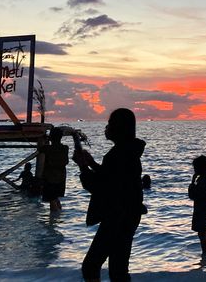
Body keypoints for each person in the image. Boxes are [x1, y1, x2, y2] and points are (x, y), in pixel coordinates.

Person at [74, 108, 146, 282]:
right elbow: (112, 178)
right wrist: (92, 164)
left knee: (91, 266)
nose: (106, 128)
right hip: (129, 214)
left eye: (110, 124)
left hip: (117, 217)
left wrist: (83, 166)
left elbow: (99, 187)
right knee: (118, 270)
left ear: (118, 128)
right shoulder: (128, 152)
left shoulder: (117, 155)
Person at [188, 155, 206, 255]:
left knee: (202, 233)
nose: (194, 170)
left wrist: (192, 183)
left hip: (202, 209)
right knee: (204, 232)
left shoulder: (203, 180)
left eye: (195, 167)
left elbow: (193, 195)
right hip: (205, 208)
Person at [41, 127, 69, 212]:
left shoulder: (47, 148)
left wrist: (45, 139)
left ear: (51, 137)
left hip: (50, 177)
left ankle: (52, 221)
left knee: (52, 199)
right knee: (55, 197)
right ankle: (58, 216)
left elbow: (40, 148)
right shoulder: (65, 148)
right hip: (61, 177)